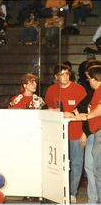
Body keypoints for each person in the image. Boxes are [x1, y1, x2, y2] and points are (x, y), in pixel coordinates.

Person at [44, 64, 87, 203]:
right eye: (62, 74)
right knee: (59, 163)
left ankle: (72, 192)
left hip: (76, 133)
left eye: (67, 73)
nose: (65, 76)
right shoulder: (51, 90)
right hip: (58, 133)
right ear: (55, 77)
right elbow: (49, 109)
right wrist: (62, 113)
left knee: (76, 163)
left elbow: (86, 110)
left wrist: (84, 134)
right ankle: (58, 190)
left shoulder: (79, 89)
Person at [75, 66, 101, 203]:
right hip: (95, 132)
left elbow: (99, 110)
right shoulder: (96, 91)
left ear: (96, 78)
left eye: (89, 78)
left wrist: (87, 116)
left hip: (99, 132)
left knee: (99, 171)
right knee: (94, 169)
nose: (88, 81)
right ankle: (94, 201)